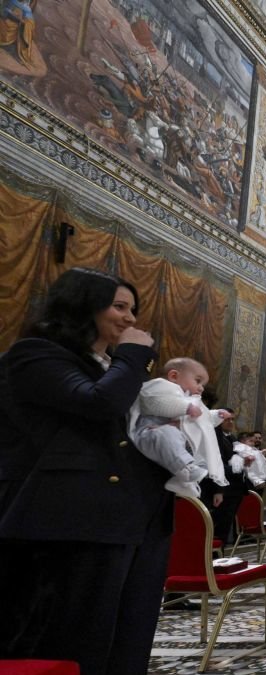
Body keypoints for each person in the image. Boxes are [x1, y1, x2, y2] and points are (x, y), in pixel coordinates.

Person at [0, 268, 172, 675]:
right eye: (119, 307)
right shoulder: (35, 354)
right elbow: (97, 404)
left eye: (134, 309)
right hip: (73, 522)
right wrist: (131, 358)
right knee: (77, 639)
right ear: (83, 305)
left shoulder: (108, 365)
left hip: (130, 521)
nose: (130, 319)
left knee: (125, 636)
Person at [129, 357, 228, 497]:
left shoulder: (188, 399)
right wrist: (185, 407)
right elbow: (155, 402)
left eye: (203, 384)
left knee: (191, 440)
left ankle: (182, 481)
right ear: (174, 376)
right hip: (148, 434)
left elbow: (201, 419)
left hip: (167, 442)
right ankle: (185, 470)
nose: (201, 388)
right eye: (198, 381)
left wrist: (216, 415)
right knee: (167, 433)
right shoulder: (160, 386)